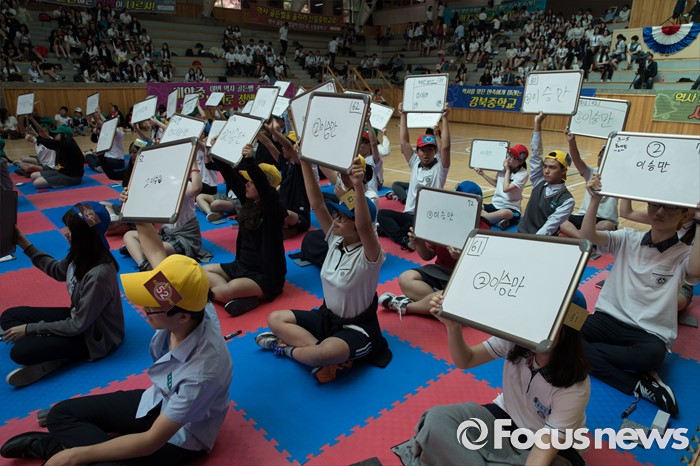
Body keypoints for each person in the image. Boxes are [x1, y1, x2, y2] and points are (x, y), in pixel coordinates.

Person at [0, 234, 232, 464]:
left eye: (151, 306)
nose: (142, 307)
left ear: (182, 317)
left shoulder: (200, 375)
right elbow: (155, 252)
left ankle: (57, 447)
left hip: (181, 435)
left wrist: (74, 456)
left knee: (102, 459)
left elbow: (150, 441)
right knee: (60, 414)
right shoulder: (195, 302)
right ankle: (62, 446)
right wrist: (140, 215)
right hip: (158, 399)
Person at [393, 293, 590, 466]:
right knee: (437, 419)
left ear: (567, 332)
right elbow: (467, 359)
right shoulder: (517, 340)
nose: (535, 327)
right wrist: (453, 328)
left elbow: (543, 450)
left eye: (548, 322)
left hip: (546, 444)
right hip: (503, 418)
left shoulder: (575, 387)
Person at [255, 156, 391, 383]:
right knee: (275, 318)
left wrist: (358, 186)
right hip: (327, 318)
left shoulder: (370, 255)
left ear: (357, 226)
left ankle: (287, 350)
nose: (336, 219)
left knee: (323, 353)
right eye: (337, 214)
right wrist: (304, 161)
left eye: (344, 218)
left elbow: (364, 226)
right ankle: (320, 358)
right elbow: (317, 203)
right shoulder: (335, 240)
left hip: (357, 328)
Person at [580, 174, 700, 416]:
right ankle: (638, 384)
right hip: (607, 319)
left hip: (648, 331)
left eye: (670, 207)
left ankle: (584, 355)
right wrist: (594, 200)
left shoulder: (683, 253)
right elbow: (587, 238)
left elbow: (695, 271)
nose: (660, 212)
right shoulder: (628, 238)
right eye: (655, 204)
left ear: (684, 214)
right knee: (564, 335)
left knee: (649, 357)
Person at [1, 202, 124, 387]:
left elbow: (77, 325)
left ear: (85, 235)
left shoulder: (99, 274)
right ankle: (51, 347)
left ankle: (57, 359)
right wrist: (25, 244)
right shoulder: (81, 252)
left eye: (71, 229)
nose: (65, 232)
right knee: (9, 317)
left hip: (95, 337)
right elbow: (57, 270)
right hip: (79, 318)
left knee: (20, 352)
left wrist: (30, 329)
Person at [380, 181, 487, 318]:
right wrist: (419, 243)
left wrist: (460, 258)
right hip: (440, 271)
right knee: (405, 278)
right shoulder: (445, 220)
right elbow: (428, 256)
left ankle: (407, 306)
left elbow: (482, 269)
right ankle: (441, 308)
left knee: (448, 297)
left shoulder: (482, 228)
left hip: (464, 276)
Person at [204, 145, 286, 317]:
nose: (247, 184)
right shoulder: (248, 201)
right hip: (241, 267)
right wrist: (217, 151)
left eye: (251, 181)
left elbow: (264, 188)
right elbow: (231, 177)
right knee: (203, 272)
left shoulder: (273, 209)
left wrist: (250, 160)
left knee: (224, 290)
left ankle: (233, 293)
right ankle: (241, 298)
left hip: (264, 276)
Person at [377, 105, 451, 250]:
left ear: (435, 151)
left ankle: (400, 237)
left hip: (426, 217)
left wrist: (445, 119)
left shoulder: (440, 168)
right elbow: (404, 142)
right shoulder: (415, 162)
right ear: (417, 151)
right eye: (423, 150)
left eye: (430, 150)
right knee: (382, 215)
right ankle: (404, 238)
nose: (426, 153)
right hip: (409, 215)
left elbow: (446, 148)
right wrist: (403, 115)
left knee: (400, 226)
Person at [121, 162, 207, 270]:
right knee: (129, 235)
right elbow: (143, 212)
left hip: (184, 238)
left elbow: (196, 188)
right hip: (166, 235)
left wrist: (193, 164)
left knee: (149, 249)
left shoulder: (182, 185)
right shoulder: (157, 188)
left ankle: (139, 252)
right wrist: (129, 199)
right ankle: (143, 264)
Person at [619, 198, 697, 313]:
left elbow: (694, 272)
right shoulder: (665, 217)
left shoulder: (695, 230)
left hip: (679, 284)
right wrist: (627, 190)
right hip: (649, 273)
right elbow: (626, 213)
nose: (688, 208)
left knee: (668, 303)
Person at [517, 113, 574, 236]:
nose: (546, 171)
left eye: (552, 167)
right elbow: (536, 153)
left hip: (541, 241)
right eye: (545, 166)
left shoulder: (567, 200)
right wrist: (537, 124)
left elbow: (549, 227)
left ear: (564, 171)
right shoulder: (539, 181)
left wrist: (532, 241)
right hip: (521, 233)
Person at [559, 130, 618, 239]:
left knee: (608, 226)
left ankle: (575, 235)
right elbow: (577, 159)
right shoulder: (591, 172)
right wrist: (572, 142)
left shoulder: (618, 177)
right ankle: (582, 237)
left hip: (604, 220)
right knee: (560, 219)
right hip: (583, 216)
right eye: (601, 155)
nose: (601, 157)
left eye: (606, 155)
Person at [474, 144, 529, 230]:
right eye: (509, 155)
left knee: (505, 213)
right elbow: (497, 184)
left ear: (521, 162)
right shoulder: (502, 168)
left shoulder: (523, 174)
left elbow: (505, 188)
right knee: (476, 206)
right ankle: (496, 221)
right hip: (495, 205)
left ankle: (482, 219)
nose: (509, 158)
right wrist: (483, 174)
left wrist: (507, 170)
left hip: (511, 208)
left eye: (514, 158)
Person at [29, 122, 84, 189]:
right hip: (61, 171)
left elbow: (51, 142)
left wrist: (35, 138)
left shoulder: (68, 144)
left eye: (57, 134)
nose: (54, 135)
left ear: (64, 135)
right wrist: (37, 136)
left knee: (36, 183)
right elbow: (49, 144)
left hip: (71, 177)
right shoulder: (63, 143)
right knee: (33, 175)